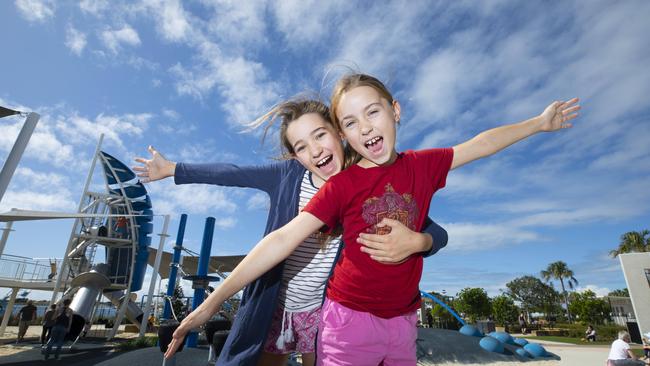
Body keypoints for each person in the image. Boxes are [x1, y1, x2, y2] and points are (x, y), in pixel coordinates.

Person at [163, 73, 579, 364]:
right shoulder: (331, 186)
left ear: (394, 111)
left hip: (393, 317)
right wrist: (210, 304)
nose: (364, 127)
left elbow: (478, 145)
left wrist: (538, 124)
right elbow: (276, 234)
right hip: (332, 314)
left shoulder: (417, 167)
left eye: (372, 114)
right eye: (350, 121)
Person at [135, 97, 448, 366]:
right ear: (294, 155)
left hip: (326, 311)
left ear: (339, 133)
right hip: (275, 306)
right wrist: (174, 169)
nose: (315, 151)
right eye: (301, 146)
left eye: (320, 136)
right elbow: (233, 173)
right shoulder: (287, 176)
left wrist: (421, 241)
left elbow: (434, 229)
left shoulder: (369, 180)